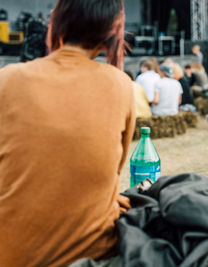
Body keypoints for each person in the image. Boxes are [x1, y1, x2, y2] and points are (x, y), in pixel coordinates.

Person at [0, 0, 135, 266]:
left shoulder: (8, 79)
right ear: (113, 30)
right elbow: (112, 175)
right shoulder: (121, 86)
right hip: (90, 256)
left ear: (56, 22)